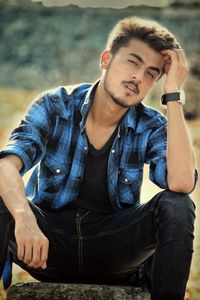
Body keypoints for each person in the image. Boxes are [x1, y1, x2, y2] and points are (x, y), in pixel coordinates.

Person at [0, 16, 198, 300]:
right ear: (106, 59)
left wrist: (173, 95)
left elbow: (181, 183)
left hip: (114, 250)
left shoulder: (151, 125)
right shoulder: (56, 105)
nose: (138, 78)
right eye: (133, 62)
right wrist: (24, 218)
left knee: (177, 205)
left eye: (152, 74)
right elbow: (7, 164)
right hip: (51, 245)